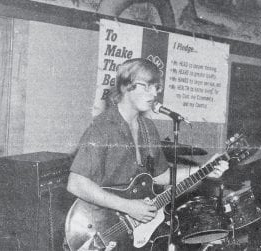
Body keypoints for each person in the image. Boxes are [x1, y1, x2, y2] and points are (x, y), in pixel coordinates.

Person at [66, 58, 229, 250]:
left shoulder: (148, 128)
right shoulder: (102, 128)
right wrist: (128, 207)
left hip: (131, 232)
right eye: (147, 87)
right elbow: (76, 183)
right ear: (126, 86)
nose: (154, 94)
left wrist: (203, 170)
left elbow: (161, 177)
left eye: (156, 88)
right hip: (98, 227)